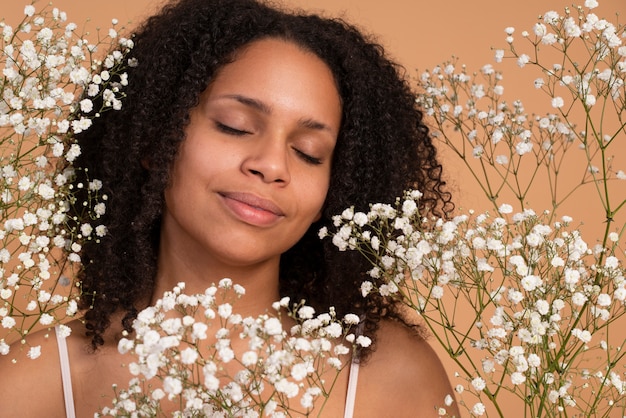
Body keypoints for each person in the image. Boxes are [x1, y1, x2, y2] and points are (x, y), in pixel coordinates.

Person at [0, 0, 459, 416]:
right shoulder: (34, 385)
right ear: (156, 139)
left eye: (308, 152)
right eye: (234, 126)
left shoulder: (393, 379)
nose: (272, 166)